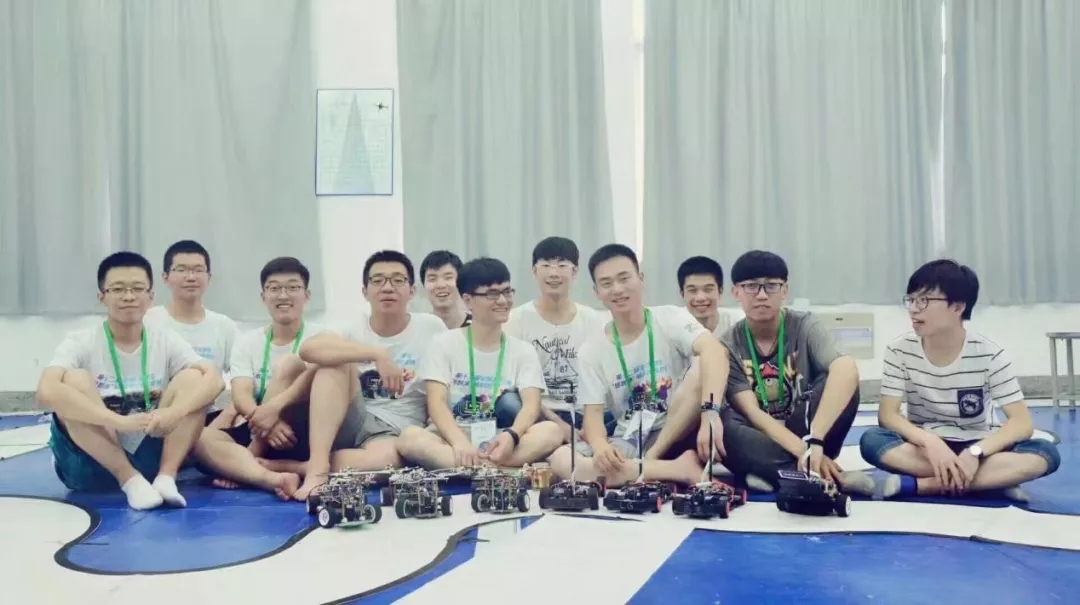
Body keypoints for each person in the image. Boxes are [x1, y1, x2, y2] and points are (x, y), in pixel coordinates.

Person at [36, 252, 225, 510]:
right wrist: (117, 421)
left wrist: (174, 413)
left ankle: (166, 479)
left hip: (150, 454)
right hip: (90, 463)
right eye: (118, 289)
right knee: (73, 380)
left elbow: (214, 381)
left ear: (150, 296)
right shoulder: (81, 341)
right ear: (101, 296)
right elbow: (46, 392)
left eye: (137, 289)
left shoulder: (164, 339)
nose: (128, 297)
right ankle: (129, 480)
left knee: (195, 378)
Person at [860, 260, 1060, 501]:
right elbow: (888, 416)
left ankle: (924, 485)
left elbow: (1021, 423)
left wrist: (975, 452)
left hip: (978, 444)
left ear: (957, 307)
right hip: (923, 447)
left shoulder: (989, 354)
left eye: (924, 301)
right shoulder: (899, 350)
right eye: (910, 300)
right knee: (872, 441)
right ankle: (991, 481)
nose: (913, 309)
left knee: (1046, 453)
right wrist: (930, 442)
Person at [547, 244, 731, 488]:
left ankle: (646, 464)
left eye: (624, 278)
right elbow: (592, 417)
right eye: (606, 283)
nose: (617, 289)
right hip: (632, 437)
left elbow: (715, 351)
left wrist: (710, 413)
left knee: (700, 364)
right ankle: (676, 469)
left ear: (641, 279)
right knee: (561, 460)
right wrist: (600, 447)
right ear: (596, 292)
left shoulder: (669, 317)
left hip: (677, 428)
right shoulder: (591, 350)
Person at [193, 257, 365, 501]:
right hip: (266, 432)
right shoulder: (247, 342)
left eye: (293, 287)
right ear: (263, 297)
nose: (283, 295)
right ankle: (273, 478)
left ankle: (257, 466)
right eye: (274, 288)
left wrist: (274, 408)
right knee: (201, 439)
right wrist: (268, 422)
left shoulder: (324, 335)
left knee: (293, 364)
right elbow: (241, 395)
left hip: (313, 427)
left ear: (306, 295)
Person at [717, 250, 875, 495]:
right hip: (762, 437)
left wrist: (815, 440)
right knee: (721, 423)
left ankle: (771, 474)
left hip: (808, 429)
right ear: (736, 292)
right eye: (751, 286)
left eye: (771, 286)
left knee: (842, 378)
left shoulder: (805, 325)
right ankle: (828, 476)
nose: (761, 295)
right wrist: (804, 452)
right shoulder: (728, 343)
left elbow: (845, 368)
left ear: (785, 291)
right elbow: (751, 412)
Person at [396, 257, 563, 469]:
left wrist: (512, 435)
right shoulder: (443, 343)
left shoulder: (523, 350)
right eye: (492, 294)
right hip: (452, 435)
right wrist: (459, 443)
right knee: (409, 438)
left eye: (507, 292)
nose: (502, 300)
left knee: (551, 431)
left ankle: (475, 468)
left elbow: (531, 404)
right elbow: (436, 402)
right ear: (468, 300)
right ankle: (497, 470)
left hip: (501, 437)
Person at [298, 250, 447, 471]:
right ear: (365, 292)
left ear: (412, 291)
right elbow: (308, 349)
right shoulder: (353, 327)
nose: (387, 288)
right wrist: (377, 354)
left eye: (398, 280)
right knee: (334, 364)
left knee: (387, 461)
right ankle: (317, 468)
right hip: (350, 417)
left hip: (394, 428)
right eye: (378, 280)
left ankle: (294, 467)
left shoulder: (431, 327)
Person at [505, 237, 615, 443]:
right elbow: (513, 383)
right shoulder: (515, 320)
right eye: (546, 265)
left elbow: (601, 380)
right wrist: (556, 423)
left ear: (575, 272)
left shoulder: (594, 320)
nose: (553, 273)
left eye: (562, 265)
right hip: (538, 413)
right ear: (534, 271)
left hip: (584, 412)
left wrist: (591, 424)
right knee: (508, 402)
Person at [144, 240, 239, 418]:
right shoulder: (148, 322)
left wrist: (224, 420)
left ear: (209, 277)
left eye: (198, 270)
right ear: (165, 277)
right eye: (181, 270)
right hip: (156, 415)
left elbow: (244, 380)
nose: (191, 277)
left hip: (206, 416)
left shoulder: (224, 326)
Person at [678, 255, 733, 339]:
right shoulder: (673, 327)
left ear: (720, 291)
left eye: (708, 289)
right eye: (692, 290)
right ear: (682, 294)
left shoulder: (737, 324)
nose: (700, 298)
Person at [420, 250, 472, 329]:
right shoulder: (419, 328)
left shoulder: (478, 326)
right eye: (432, 279)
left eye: (448, 278)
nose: (441, 285)